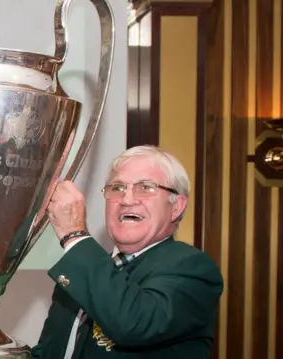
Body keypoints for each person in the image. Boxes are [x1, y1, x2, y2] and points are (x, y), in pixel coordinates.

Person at [31, 145, 224, 359]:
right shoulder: (83, 270)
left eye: (145, 187)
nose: (127, 199)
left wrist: (74, 235)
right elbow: (50, 352)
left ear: (176, 206)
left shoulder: (193, 268)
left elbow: (134, 323)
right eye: (117, 187)